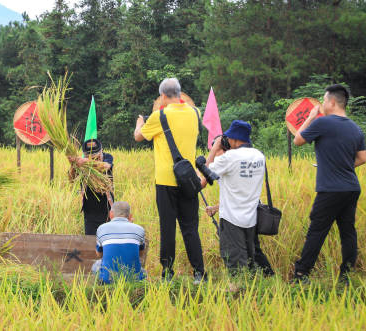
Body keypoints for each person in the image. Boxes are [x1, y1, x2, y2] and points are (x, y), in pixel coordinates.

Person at [292, 84, 366, 283]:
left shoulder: (323, 123)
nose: (322, 104)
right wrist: (340, 165)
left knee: (317, 230)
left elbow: (298, 141)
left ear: (332, 102)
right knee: (348, 232)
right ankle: (347, 274)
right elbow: (362, 158)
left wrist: (310, 116)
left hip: (331, 189)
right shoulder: (355, 127)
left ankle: (301, 274)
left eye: (324, 100)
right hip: (351, 187)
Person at [134, 77, 204, 281]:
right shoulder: (195, 113)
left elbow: (139, 137)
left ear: (163, 96)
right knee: (191, 228)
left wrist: (140, 122)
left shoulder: (159, 116)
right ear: (180, 94)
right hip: (189, 180)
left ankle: (168, 273)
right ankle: (199, 273)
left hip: (166, 180)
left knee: (168, 228)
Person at [204, 135, 274, 276]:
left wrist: (213, 151)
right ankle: (267, 277)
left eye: (215, 148)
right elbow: (235, 195)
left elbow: (205, 174)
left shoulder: (228, 161)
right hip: (250, 212)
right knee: (253, 251)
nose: (214, 152)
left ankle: (242, 285)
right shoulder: (251, 157)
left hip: (235, 217)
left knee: (236, 254)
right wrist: (215, 208)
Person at [68, 138, 114, 235]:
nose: (93, 158)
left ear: (101, 151)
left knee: (107, 240)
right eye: (89, 156)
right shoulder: (80, 162)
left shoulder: (107, 157)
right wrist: (73, 164)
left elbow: (106, 166)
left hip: (107, 209)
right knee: (91, 242)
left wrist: (86, 162)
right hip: (89, 211)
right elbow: (71, 179)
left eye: (95, 155)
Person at [93, 201, 146, 284]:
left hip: (109, 279)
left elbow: (99, 255)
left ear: (111, 214)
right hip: (133, 279)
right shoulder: (139, 229)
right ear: (130, 216)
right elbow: (141, 254)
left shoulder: (101, 228)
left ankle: (102, 283)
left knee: (96, 265)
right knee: (143, 271)